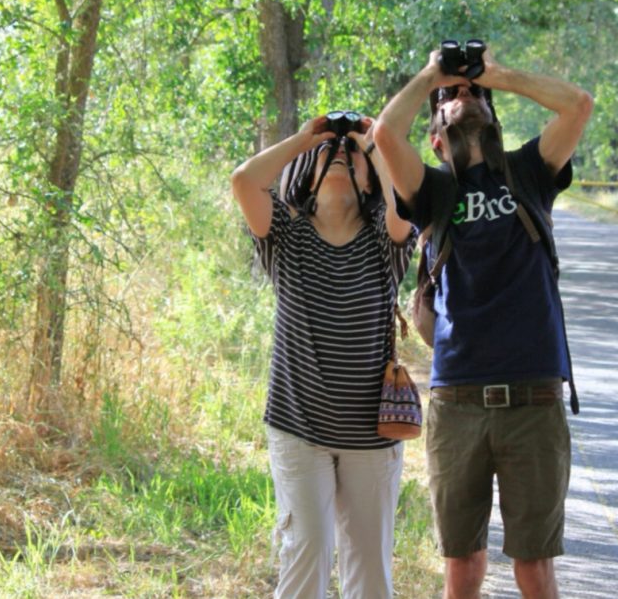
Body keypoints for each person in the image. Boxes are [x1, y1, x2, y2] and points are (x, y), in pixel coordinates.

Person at [373, 46, 593, 599]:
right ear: (435, 139)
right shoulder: (432, 191)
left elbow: (577, 105)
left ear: (494, 117)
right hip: (458, 404)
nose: (464, 94)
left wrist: (495, 74)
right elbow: (384, 135)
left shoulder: (530, 171)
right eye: (450, 97)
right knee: (463, 568)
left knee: (534, 568)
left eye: (475, 94)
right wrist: (433, 76)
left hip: (533, 403)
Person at [231, 113, 415, 599]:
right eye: (326, 153)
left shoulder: (386, 241)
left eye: (350, 152)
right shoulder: (286, 236)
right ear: (306, 173)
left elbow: (406, 201)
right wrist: (307, 138)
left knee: (370, 571)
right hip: (299, 429)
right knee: (306, 554)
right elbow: (244, 181)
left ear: (370, 178)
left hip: (372, 436)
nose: (339, 153)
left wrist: (372, 142)